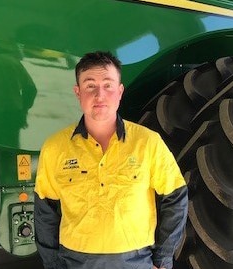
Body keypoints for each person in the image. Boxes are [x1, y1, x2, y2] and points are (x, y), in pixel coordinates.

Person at [34, 51, 188, 269]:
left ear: (120, 92)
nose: (100, 95)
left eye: (108, 85)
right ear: (78, 92)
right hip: (75, 263)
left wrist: (162, 260)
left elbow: (176, 198)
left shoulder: (148, 143)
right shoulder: (55, 147)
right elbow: (44, 213)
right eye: (90, 86)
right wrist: (53, 265)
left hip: (137, 262)